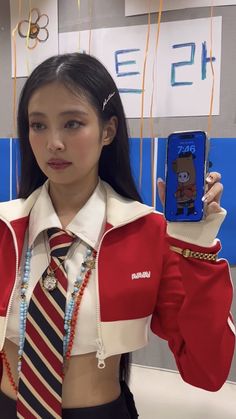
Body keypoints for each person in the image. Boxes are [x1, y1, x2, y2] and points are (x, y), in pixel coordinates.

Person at [0, 52, 234, 419]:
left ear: (107, 131)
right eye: (38, 125)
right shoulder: (5, 228)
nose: (54, 143)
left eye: (73, 123)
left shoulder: (148, 233)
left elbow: (207, 371)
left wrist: (197, 247)